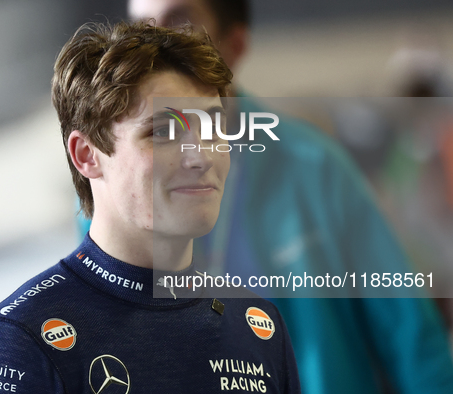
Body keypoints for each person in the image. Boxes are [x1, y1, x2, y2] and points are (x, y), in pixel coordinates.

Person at [67, 1, 453, 393]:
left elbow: (412, 337)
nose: (150, 42)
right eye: (138, 25)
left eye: (179, 22)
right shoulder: (110, 194)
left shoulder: (313, 167)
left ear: (235, 45)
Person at [0, 21, 301, 393]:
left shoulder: (260, 327)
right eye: (164, 132)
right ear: (86, 155)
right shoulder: (17, 348)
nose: (201, 156)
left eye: (214, 129)